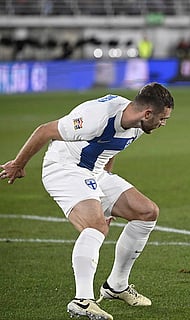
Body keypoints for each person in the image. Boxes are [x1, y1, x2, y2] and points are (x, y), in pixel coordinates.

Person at [1, 82, 174, 319]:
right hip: (64, 169)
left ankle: (116, 286)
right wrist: (18, 165)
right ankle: (82, 300)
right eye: (162, 119)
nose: (163, 123)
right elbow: (44, 130)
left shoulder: (136, 125)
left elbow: (110, 151)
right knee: (95, 225)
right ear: (147, 113)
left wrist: (104, 192)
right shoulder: (97, 118)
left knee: (147, 212)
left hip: (94, 171)